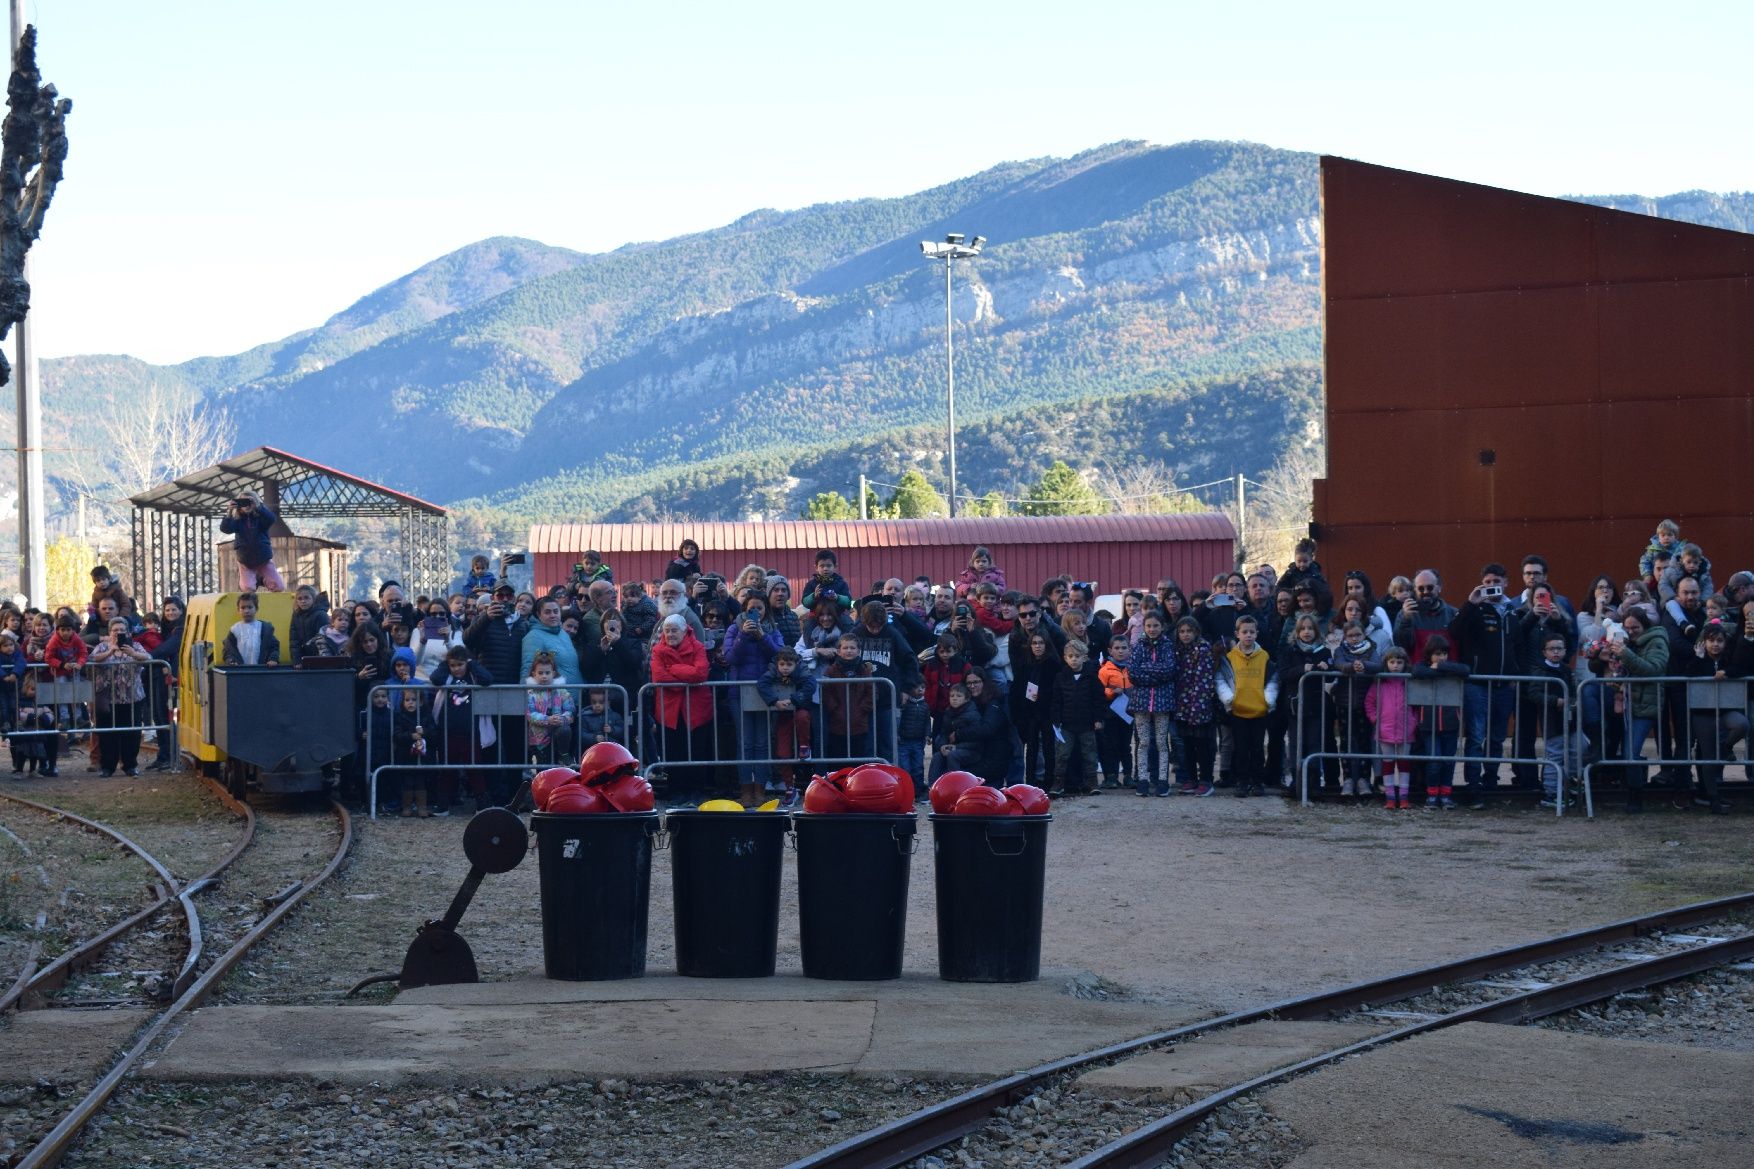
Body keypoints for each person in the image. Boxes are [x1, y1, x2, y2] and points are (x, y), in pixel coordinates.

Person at [1603, 605, 1667, 812]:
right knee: (1628, 752)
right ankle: (1634, 789)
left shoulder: (1657, 640)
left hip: (1645, 704)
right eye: (1627, 628)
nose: (1630, 632)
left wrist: (1626, 655)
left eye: (1635, 628)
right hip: (1627, 701)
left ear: (1645, 625)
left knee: (1630, 752)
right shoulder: (1626, 641)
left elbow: (1654, 669)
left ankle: (1635, 797)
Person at [1678, 620, 1746, 815]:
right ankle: (1713, 799)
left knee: (1742, 725)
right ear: (1704, 642)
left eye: (1719, 641)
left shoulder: (1728, 658)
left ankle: (1725, 748)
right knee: (1708, 757)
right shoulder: (1698, 657)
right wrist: (1698, 659)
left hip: (1725, 709)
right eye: (1711, 640)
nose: (1715, 644)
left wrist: (1725, 672)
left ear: (1725, 643)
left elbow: (1741, 669)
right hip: (1703, 712)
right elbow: (1687, 675)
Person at [650, 614, 714, 796]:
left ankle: (696, 791)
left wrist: (674, 669)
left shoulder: (697, 647)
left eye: (674, 630)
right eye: (667, 630)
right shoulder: (657, 650)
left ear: (684, 630)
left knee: (696, 750)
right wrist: (685, 682)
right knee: (673, 751)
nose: (670, 634)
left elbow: (701, 673)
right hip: (670, 710)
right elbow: (659, 678)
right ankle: (677, 791)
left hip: (696, 710)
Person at [1217, 615, 1278, 798]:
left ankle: (1257, 782)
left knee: (1258, 748)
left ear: (1257, 633)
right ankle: (1242, 782)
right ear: (1237, 634)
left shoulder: (1264, 656)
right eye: (1244, 632)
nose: (1248, 635)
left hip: (1259, 710)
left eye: (1252, 632)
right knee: (1241, 749)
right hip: (1238, 711)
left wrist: (1268, 700)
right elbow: (1221, 680)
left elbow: (1272, 680)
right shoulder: (1229, 657)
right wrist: (1229, 699)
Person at [1411, 634, 1470, 808]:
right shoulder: (1422, 667)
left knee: (1448, 761)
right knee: (1434, 761)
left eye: (1444, 653)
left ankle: (1446, 794)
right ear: (1429, 654)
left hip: (1450, 724)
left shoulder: (1451, 667)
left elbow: (1466, 670)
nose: (1441, 657)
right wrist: (1435, 670)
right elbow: (1416, 671)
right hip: (1429, 725)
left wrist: (1443, 667)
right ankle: (1432, 794)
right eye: (1437, 654)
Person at [86, 616, 150, 776]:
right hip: (108, 699)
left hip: (132, 697)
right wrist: (110, 652)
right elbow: (91, 659)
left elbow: (149, 658)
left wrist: (133, 653)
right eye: (115, 630)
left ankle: (130, 765)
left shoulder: (135, 646)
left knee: (132, 733)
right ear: (109, 632)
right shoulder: (102, 647)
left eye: (122, 630)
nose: (118, 633)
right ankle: (107, 767)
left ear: (128, 632)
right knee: (107, 734)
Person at [1126, 612, 1178, 796]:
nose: (1152, 629)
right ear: (1144, 627)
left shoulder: (1168, 646)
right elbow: (1132, 672)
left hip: (1162, 702)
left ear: (1162, 627)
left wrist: (1146, 670)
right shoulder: (1138, 646)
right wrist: (1156, 674)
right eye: (1149, 626)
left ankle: (1163, 780)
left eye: (1155, 625)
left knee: (1162, 742)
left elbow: (1169, 670)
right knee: (1143, 742)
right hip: (1141, 703)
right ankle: (1143, 779)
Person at [756, 647, 814, 807]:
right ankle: (790, 787)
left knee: (802, 717)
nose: (785, 668)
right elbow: (762, 684)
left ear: (795, 664)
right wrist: (774, 701)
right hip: (783, 714)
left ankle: (805, 745)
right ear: (777, 664)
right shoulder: (772, 670)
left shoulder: (802, 670)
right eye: (782, 664)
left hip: (800, 708)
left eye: (789, 664)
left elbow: (810, 685)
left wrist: (794, 699)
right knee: (782, 752)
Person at [1051, 640, 1106, 796]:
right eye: (1070, 656)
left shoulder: (1092, 677)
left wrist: (1098, 719)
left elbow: (1099, 700)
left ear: (1084, 657)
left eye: (1077, 656)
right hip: (1066, 724)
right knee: (1062, 754)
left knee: (1089, 753)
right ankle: (1058, 782)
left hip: (1087, 723)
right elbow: (1056, 700)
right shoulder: (1061, 677)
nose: (1074, 659)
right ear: (1065, 658)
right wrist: (1056, 720)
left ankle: (1092, 782)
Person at [1365, 645, 1415, 809]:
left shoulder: (1409, 683)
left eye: (1399, 662)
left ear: (1404, 664)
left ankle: (1404, 796)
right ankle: (1390, 797)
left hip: (1406, 730)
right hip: (1384, 729)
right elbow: (1369, 703)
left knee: (1404, 764)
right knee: (1387, 763)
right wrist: (1375, 719)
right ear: (1386, 663)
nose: (1395, 665)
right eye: (1392, 662)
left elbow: (1417, 705)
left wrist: (1413, 721)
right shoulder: (1379, 683)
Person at [219, 490, 284, 592]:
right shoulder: (237, 520)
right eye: (243, 502)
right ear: (238, 504)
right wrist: (229, 512)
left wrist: (258, 507)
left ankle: (263, 580)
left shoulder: (261, 518)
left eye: (249, 502)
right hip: (245, 559)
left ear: (255, 502)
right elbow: (225, 529)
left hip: (263, 557)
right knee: (248, 588)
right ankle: (255, 580)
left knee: (278, 587)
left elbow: (271, 519)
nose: (246, 505)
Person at [525, 650, 576, 767]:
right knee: (544, 768)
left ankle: (564, 755)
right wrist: (547, 719)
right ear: (534, 674)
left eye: (547, 673)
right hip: (539, 738)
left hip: (557, 733)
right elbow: (530, 714)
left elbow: (570, 710)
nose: (544, 676)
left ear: (553, 673)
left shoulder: (561, 691)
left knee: (565, 730)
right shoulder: (530, 693)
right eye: (540, 673)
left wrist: (562, 719)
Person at [1097, 635, 1135, 792]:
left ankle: (1128, 775)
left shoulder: (1132, 668)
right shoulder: (1104, 670)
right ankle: (1111, 776)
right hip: (1111, 714)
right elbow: (1099, 691)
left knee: (1125, 746)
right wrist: (1111, 691)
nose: (1120, 651)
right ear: (1110, 651)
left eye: (1124, 648)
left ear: (1129, 649)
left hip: (1128, 714)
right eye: (1117, 648)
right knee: (1110, 746)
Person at [520, 595, 581, 682]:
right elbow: (528, 669)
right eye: (547, 612)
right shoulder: (533, 637)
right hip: (554, 694)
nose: (553, 615)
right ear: (539, 615)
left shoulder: (563, 633)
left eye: (556, 611)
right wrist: (524, 693)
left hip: (575, 693)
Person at [221, 592, 281, 666]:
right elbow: (228, 650)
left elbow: (274, 647)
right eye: (243, 608)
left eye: (250, 607)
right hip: (240, 672)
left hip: (262, 671)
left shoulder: (265, 629)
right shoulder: (234, 630)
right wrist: (231, 661)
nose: (246, 611)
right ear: (238, 610)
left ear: (256, 608)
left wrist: (273, 659)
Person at [287, 585, 329, 655]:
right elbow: (294, 640)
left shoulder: (321, 615)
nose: (303, 601)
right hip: (304, 658)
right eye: (299, 599)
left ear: (313, 598)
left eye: (306, 598)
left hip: (320, 657)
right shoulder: (296, 616)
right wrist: (297, 660)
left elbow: (325, 639)